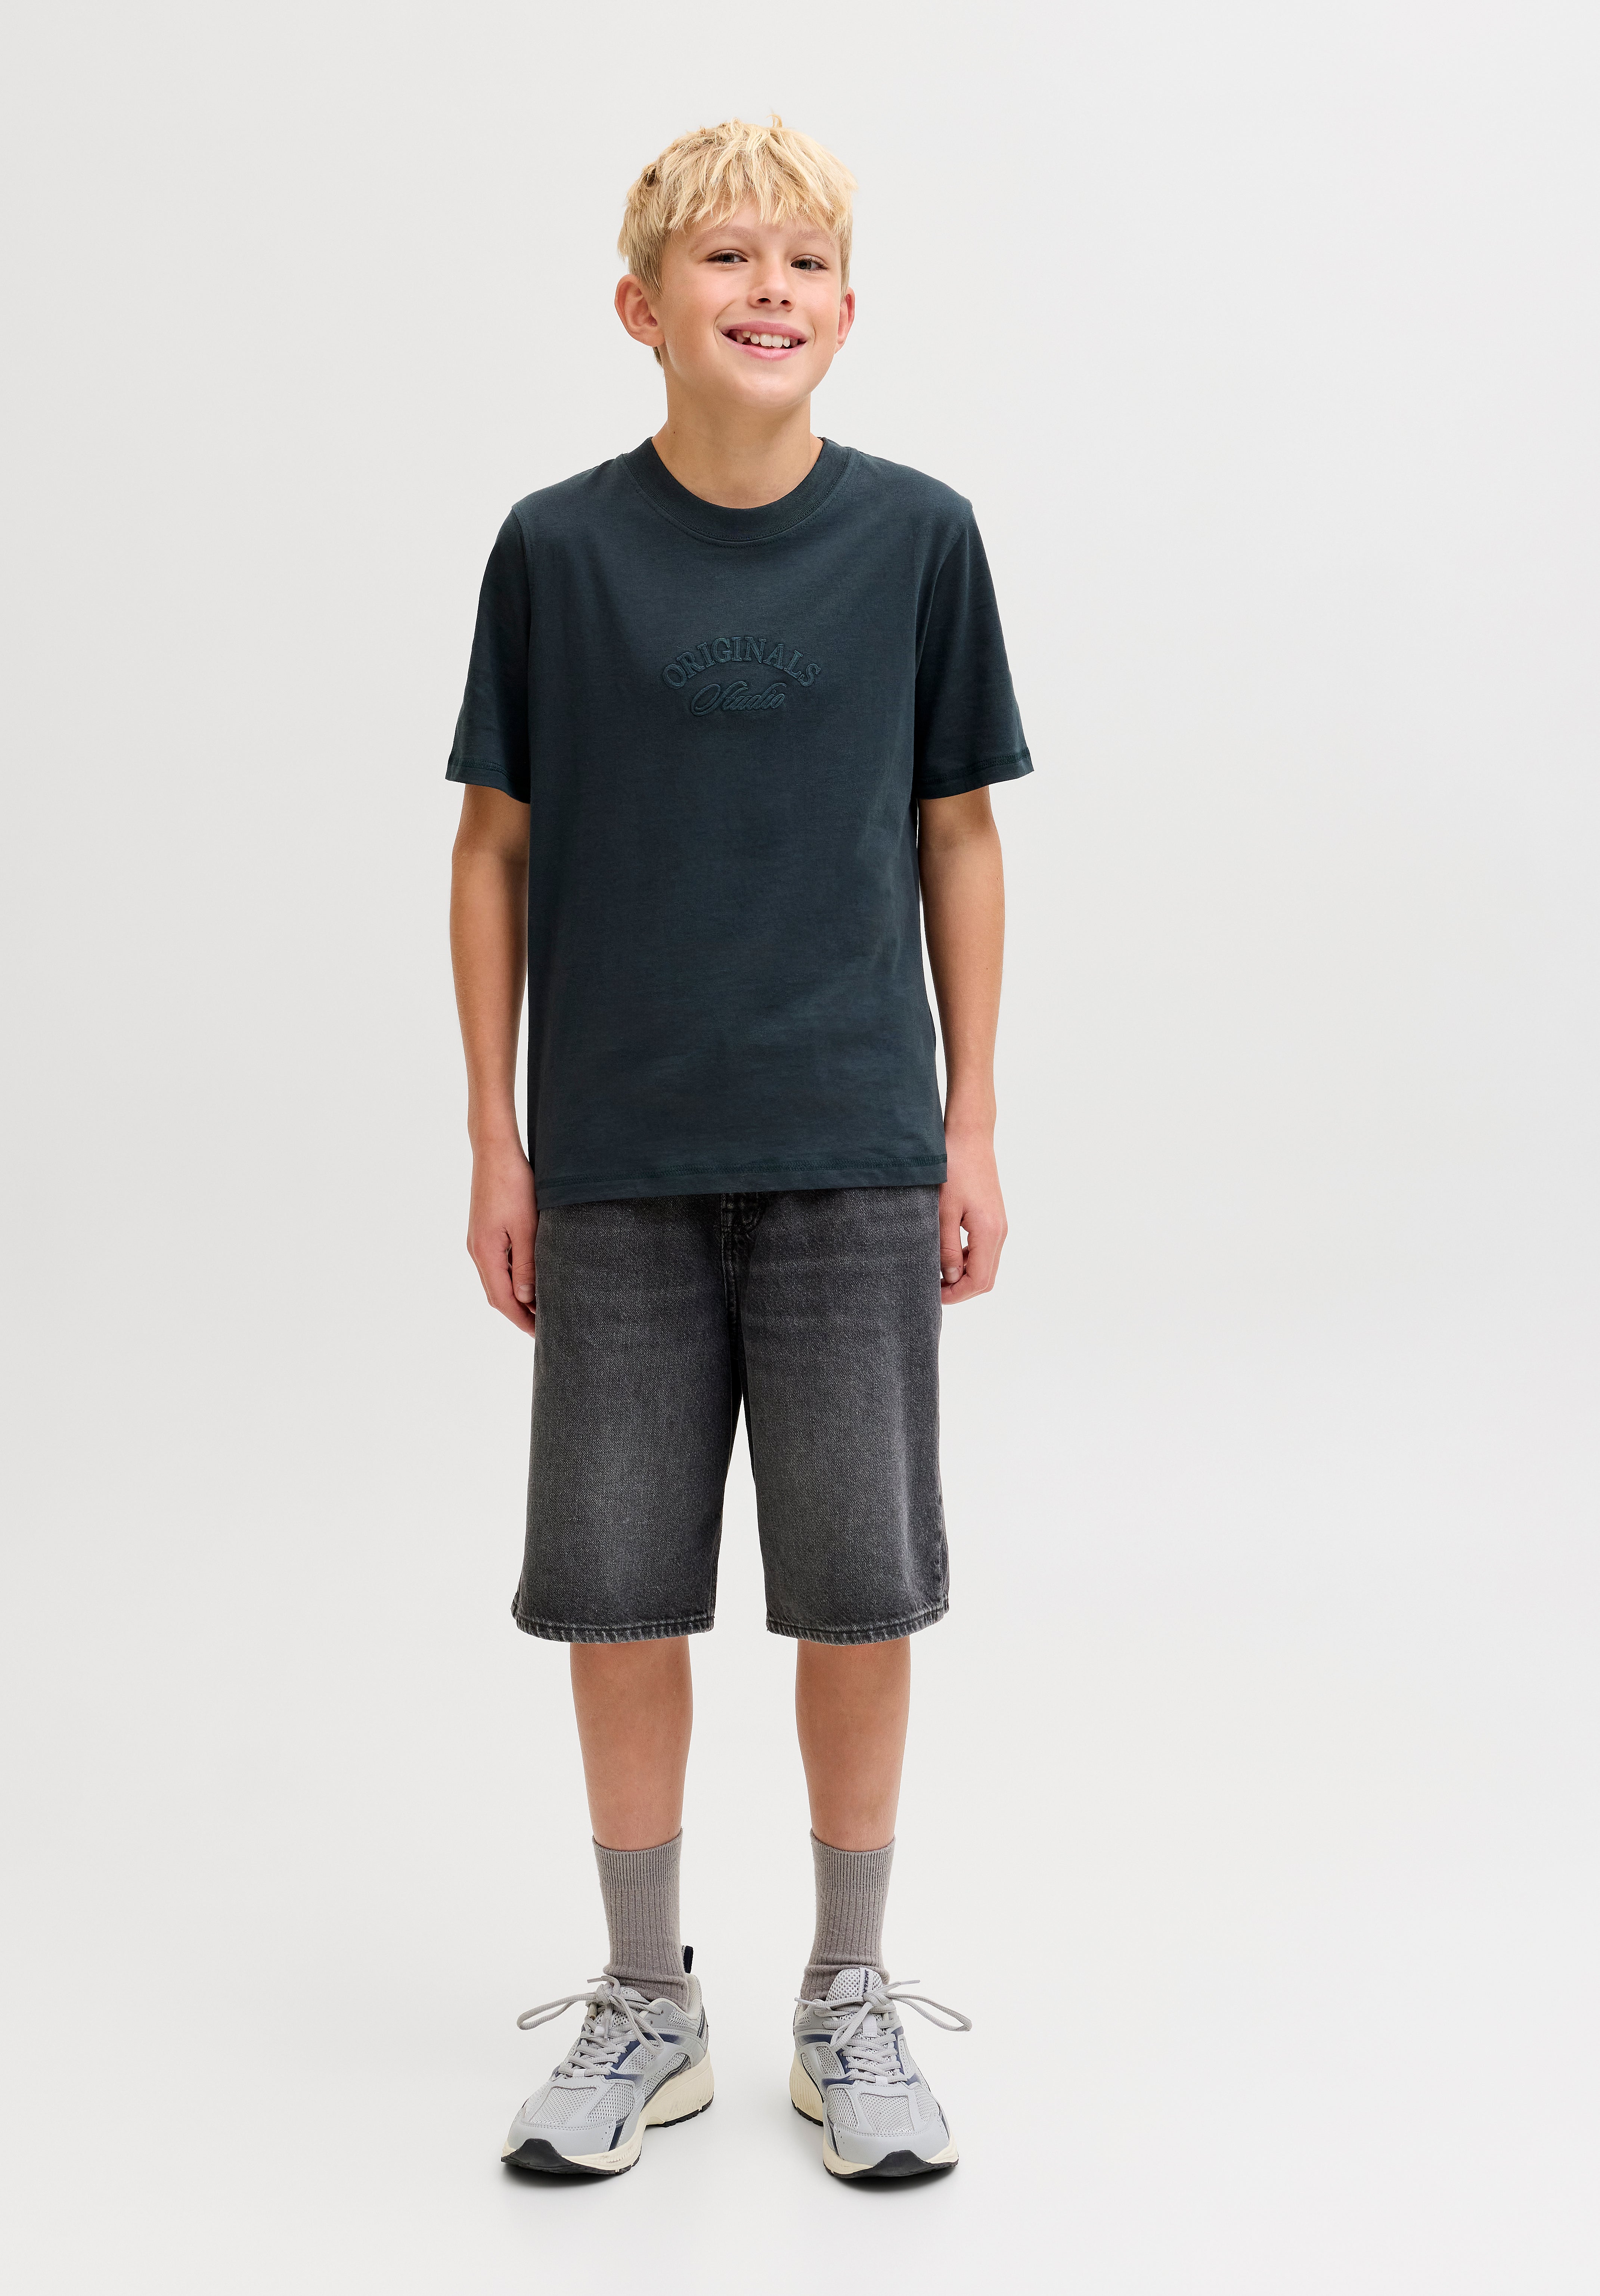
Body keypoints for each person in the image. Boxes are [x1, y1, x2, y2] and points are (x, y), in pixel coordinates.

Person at [447, 115, 1029, 2182]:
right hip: (612, 1158)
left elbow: (958, 829)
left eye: (801, 262)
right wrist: (497, 1140)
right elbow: (492, 847)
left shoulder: (920, 540)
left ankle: (847, 1995)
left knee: (857, 1591)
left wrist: (968, 1119)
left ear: (847, 312)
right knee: (620, 1589)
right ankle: (645, 1999)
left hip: (854, 1146)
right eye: (722, 259)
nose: (765, 288)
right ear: (641, 306)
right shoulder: (555, 550)